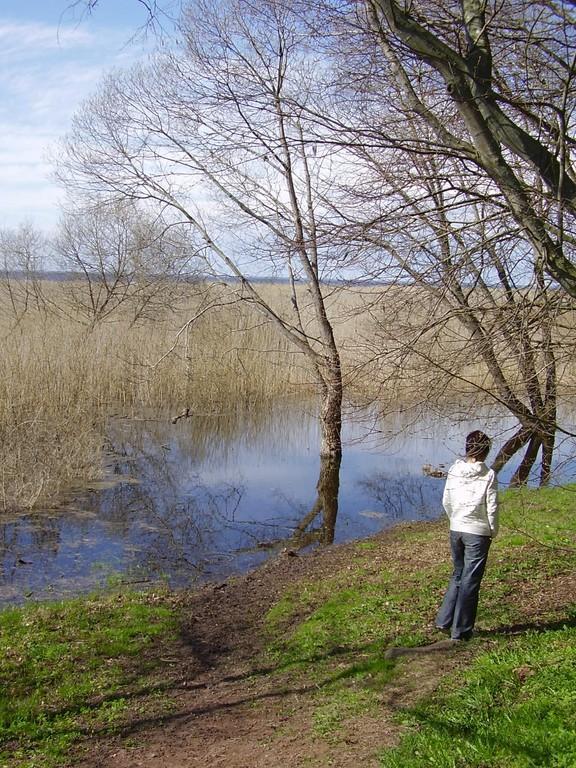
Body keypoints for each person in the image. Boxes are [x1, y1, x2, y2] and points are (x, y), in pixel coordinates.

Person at [435, 430, 499, 641]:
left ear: (467, 448)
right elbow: (492, 508)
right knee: (470, 580)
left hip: (456, 528)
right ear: (486, 451)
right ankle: (460, 632)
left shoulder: (454, 470)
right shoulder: (488, 474)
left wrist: (455, 519)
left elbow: (447, 500)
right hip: (477, 532)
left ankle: (444, 621)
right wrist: (492, 531)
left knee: (458, 574)